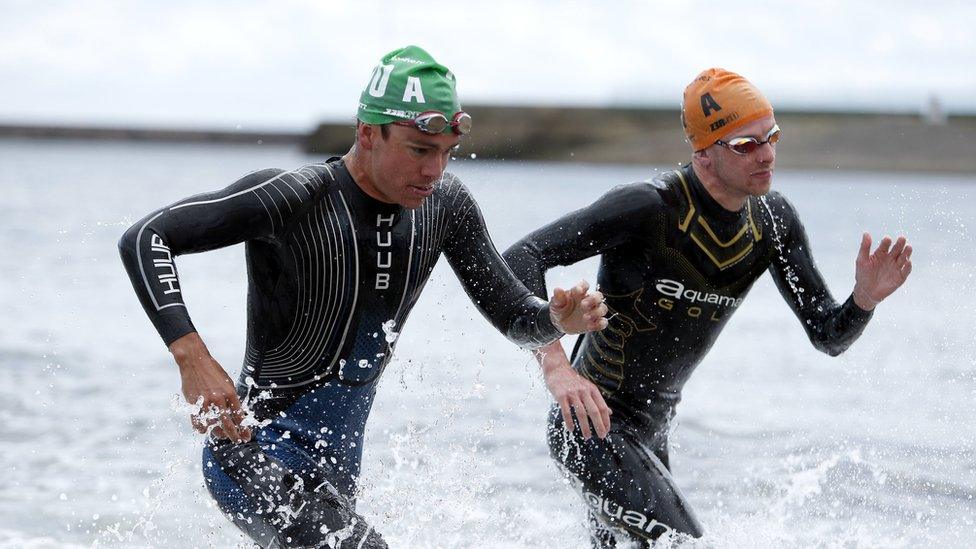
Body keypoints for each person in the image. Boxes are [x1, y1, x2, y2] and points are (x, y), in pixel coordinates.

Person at [118, 45, 608, 548]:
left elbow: (513, 318)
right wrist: (191, 356)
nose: (434, 170)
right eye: (419, 150)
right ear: (368, 133)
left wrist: (556, 321)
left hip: (334, 471)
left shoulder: (446, 208)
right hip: (251, 450)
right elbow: (146, 237)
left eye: (445, 153)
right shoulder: (294, 197)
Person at [503, 68, 913, 546]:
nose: (767, 154)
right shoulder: (647, 208)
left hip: (650, 437)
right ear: (703, 153)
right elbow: (519, 260)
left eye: (772, 136)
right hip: (591, 428)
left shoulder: (772, 224)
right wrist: (556, 366)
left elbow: (827, 335)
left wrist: (863, 301)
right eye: (745, 144)